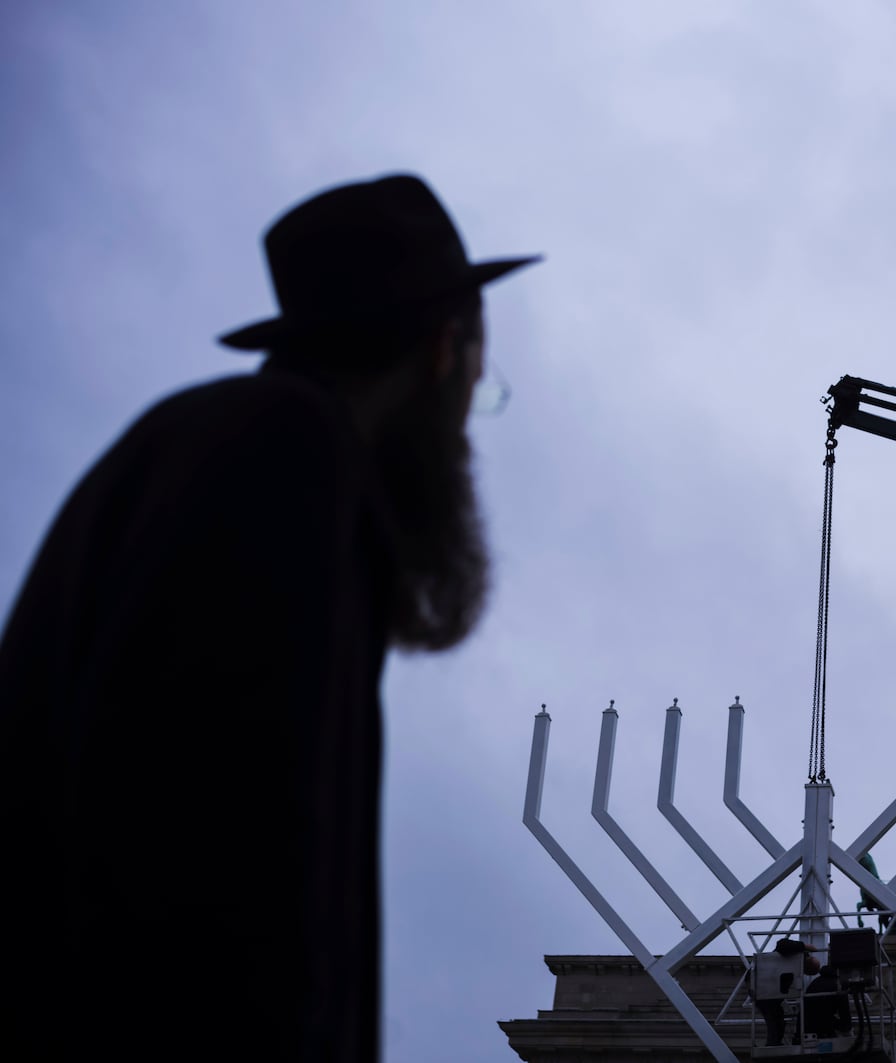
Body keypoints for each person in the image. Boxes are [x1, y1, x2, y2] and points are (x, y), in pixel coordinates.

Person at [0, 174, 539, 1061]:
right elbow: (223, 886)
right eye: (478, 389)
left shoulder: (203, 445)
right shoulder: (285, 455)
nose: (467, 434)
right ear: (442, 354)